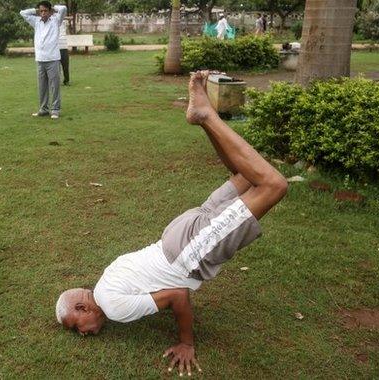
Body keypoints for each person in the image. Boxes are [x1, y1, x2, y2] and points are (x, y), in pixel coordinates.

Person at [55, 71, 288, 376]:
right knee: (244, 176)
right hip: (177, 233)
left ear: (83, 308)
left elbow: (177, 295)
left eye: (77, 327)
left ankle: (205, 115)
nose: (83, 334)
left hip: (189, 251)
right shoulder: (106, 280)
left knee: (273, 185)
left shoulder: (112, 306)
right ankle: (207, 115)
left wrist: (186, 343)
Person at [20, 1, 67, 119]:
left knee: (54, 85)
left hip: (53, 59)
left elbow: (63, 9)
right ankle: (43, 109)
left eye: (45, 11)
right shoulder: (36, 22)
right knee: (42, 86)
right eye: (41, 11)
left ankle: (55, 109)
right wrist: (35, 11)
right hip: (40, 59)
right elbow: (23, 13)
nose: (43, 13)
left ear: (50, 11)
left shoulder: (56, 20)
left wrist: (53, 9)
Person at [58, 18, 69, 85]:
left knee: (65, 66)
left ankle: (66, 81)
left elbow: (69, 18)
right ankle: (56, 81)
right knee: (56, 67)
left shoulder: (64, 22)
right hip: (55, 49)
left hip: (64, 48)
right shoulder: (52, 22)